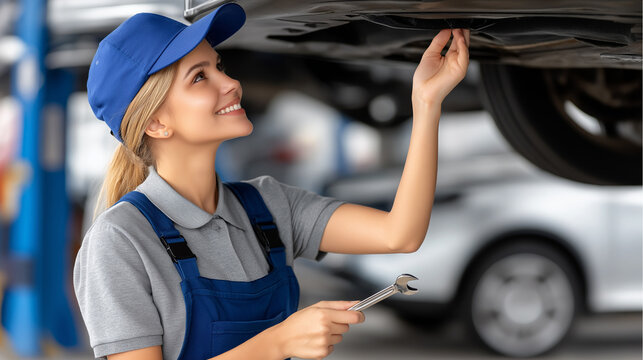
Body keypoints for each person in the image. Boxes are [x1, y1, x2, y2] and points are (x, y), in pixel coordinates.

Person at [73, 3, 470, 360]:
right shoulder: (120, 241)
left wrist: (427, 103)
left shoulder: (267, 206)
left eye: (219, 67)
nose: (230, 84)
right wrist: (277, 343)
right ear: (157, 123)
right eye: (199, 77)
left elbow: (399, 234)